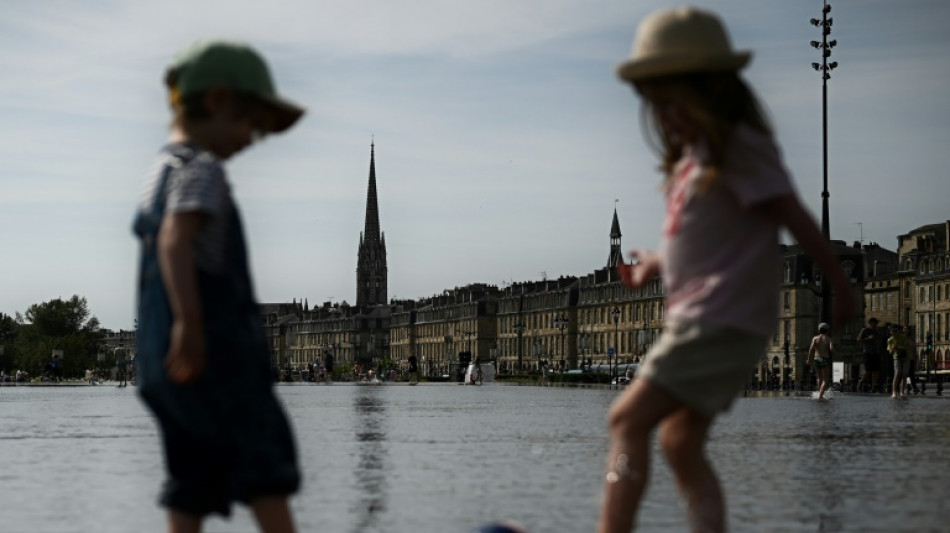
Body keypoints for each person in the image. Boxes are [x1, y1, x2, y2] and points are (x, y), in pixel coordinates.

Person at [599, 8, 854, 533]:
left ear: (710, 87)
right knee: (678, 441)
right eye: (656, 104)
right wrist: (650, 264)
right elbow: (698, 244)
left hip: (716, 321)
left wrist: (840, 281)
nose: (664, 115)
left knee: (625, 419)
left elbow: (794, 214)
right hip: (714, 320)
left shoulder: (739, 149)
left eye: (671, 100)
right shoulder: (695, 163)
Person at [133, 40, 304, 533]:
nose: (252, 139)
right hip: (216, 359)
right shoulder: (201, 169)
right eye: (249, 123)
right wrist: (189, 322)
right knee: (267, 469)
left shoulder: (156, 173)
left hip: (161, 367)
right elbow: (174, 240)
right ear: (218, 102)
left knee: (191, 480)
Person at [807, 323, 834, 399]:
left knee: (819, 378)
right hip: (825, 359)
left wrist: (809, 359)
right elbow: (832, 349)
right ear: (827, 330)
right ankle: (821, 395)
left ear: (819, 330)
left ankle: (820, 393)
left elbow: (811, 349)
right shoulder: (828, 339)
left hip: (816, 359)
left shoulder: (815, 338)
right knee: (825, 380)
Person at [856, 317, 884, 393]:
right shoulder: (864, 330)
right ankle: (861, 381)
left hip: (876, 353)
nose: (876, 325)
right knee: (868, 370)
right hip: (867, 352)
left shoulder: (876, 331)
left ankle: (874, 386)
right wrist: (868, 338)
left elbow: (879, 341)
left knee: (876, 370)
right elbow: (858, 339)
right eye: (875, 323)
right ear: (871, 323)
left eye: (876, 324)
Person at [887, 324, 911, 398]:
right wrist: (894, 347)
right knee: (897, 373)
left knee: (904, 374)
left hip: (906, 357)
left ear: (899, 331)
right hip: (897, 357)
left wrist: (900, 347)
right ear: (890, 332)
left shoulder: (904, 337)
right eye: (892, 331)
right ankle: (894, 392)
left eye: (895, 331)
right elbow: (890, 352)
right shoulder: (890, 340)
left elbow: (908, 347)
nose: (894, 333)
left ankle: (902, 392)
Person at [904, 325, 921, 394]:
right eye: (904, 329)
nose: (905, 331)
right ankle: (908, 385)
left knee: (911, 374)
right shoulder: (902, 338)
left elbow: (914, 348)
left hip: (911, 358)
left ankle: (914, 386)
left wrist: (915, 357)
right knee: (907, 374)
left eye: (907, 329)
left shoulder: (911, 339)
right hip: (905, 358)